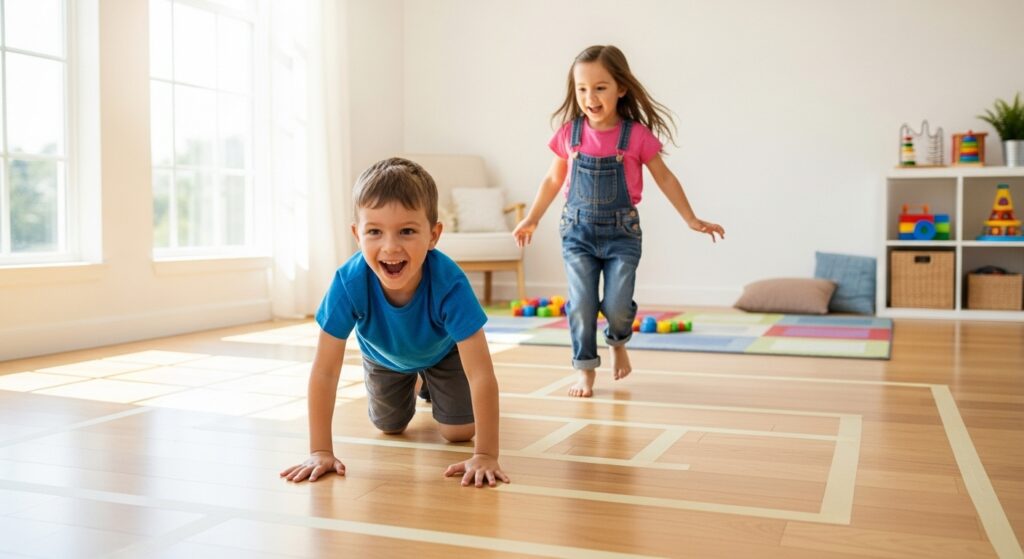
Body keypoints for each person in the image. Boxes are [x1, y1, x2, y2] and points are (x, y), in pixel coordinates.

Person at [281, 157, 509, 488]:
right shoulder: (348, 283)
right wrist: (320, 450)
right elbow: (325, 371)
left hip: (444, 354)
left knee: (457, 433)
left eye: (407, 231)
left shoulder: (450, 284)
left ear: (433, 235)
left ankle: (430, 380)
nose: (390, 247)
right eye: (374, 231)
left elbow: (480, 373)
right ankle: (418, 382)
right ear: (356, 234)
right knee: (389, 426)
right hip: (383, 357)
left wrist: (486, 454)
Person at [513, 45, 725, 398]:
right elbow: (552, 181)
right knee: (580, 303)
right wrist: (532, 219)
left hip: (621, 235)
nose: (589, 97)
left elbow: (665, 177)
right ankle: (585, 369)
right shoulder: (570, 134)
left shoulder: (636, 136)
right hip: (577, 232)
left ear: (621, 88)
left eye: (600, 87)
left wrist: (690, 218)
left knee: (616, 305)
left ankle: (618, 341)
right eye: (582, 88)